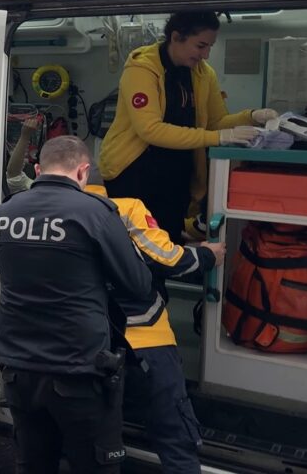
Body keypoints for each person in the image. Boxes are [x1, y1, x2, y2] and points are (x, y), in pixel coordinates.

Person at [0, 136, 154, 473]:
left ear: (38, 170)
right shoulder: (96, 213)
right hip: (78, 368)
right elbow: (137, 285)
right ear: (83, 171)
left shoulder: (4, 213)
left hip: (19, 368)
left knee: (34, 465)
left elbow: (5, 266)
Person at [84, 171, 223, 474]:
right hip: (147, 343)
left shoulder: (56, 216)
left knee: (97, 443)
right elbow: (168, 259)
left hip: (88, 346)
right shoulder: (127, 208)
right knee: (175, 439)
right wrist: (208, 256)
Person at [99, 11, 278, 243]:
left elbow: (215, 123)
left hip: (176, 174)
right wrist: (219, 137)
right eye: (201, 46)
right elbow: (150, 130)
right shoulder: (142, 69)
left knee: (168, 243)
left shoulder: (204, 74)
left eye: (210, 47)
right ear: (176, 37)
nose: (206, 55)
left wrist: (251, 116)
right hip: (134, 173)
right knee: (133, 248)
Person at [5, 115, 42, 194]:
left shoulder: (36, 188)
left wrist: (25, 136)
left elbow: (14, 176)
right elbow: (14, 175)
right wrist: (25, 136)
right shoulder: (36, 187)